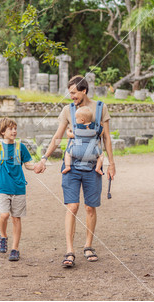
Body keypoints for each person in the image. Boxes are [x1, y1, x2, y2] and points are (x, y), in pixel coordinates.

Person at [34, 75, 116, 267]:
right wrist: (44, 158)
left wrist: (111, 163)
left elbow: (107, 139)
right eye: (69, 93)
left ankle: (88, 245)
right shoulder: (67, 110)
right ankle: (69, 250)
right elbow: (58, 136)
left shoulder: (100, 108)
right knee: (72, 206)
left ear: (84, 90)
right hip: (71, 166)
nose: (71, 96)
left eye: (73, 93)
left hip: (92, 167)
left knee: (90, 207)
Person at [0, 117, 34, 262]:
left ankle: (15, 249)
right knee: (4, 215)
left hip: (19, 188)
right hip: (2, 188)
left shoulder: (21, 147)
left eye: (15, 128)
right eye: (10, 129)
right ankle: (3, 236)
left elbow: (28, 164)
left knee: (16, 218)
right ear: (2, 131)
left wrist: (37, 166)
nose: (14, 131)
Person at [62, 106, 104, 175]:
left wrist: (67, 132)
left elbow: (72, 135)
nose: (75, 120)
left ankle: (67, 167)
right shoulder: (95, 127)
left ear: (82, 120)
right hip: (92, 152)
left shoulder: (78, 127)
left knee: (67, 153)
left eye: (76, 118)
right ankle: (98, 168)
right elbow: (101, 133)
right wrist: (102, 126)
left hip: (77, 151)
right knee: (101, 155)